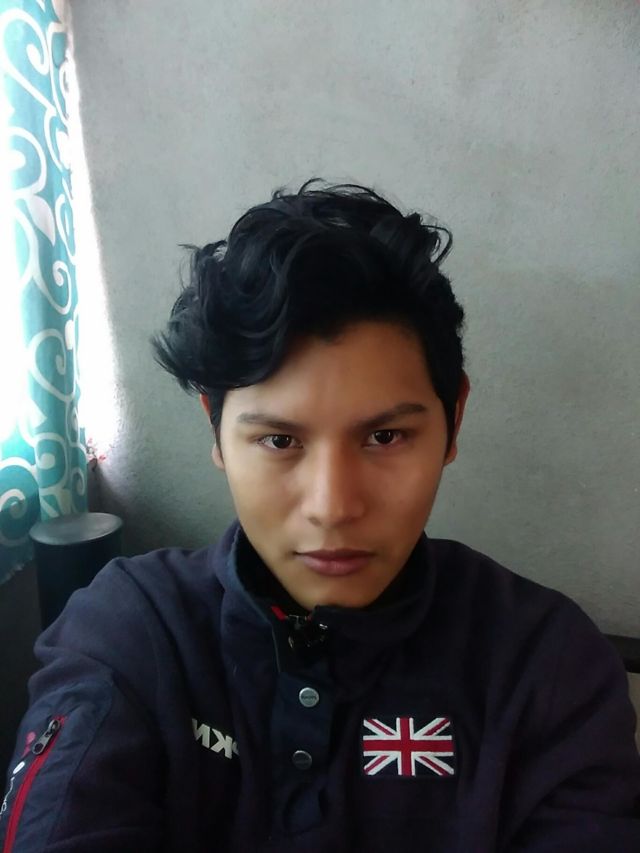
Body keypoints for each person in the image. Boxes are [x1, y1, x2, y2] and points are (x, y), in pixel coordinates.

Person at [1, 181, 639, 853]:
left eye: (385, 437)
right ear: (216, 430)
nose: (333, 507)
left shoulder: (547, 665)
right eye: (279, 440)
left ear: (453, 418)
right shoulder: (129, 632)